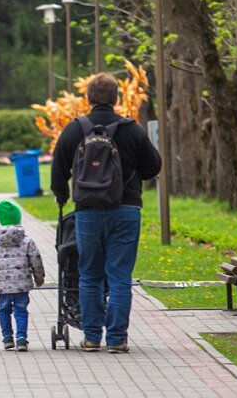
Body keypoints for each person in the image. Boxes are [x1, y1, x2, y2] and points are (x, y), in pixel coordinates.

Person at [50, 73, 161, 353]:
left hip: (88, 211)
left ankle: (91, 337)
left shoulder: (76, 129)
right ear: (117, 98)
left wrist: (62, 195)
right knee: (120, 275)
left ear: (88, 98)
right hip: (126, 209)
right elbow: (153, 167)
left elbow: (58, 168)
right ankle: (117, 338)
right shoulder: (131, 130)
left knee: (90, 274)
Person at [0, 200, 45, 352]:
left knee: (4, 310)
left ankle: (7, 337)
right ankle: (21, 338)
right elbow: (36, 260)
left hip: (3, 287)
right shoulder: (27, 241)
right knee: (21, 310)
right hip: (22, 285)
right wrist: (39, 278)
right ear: (18, 218)